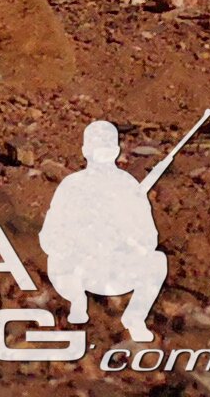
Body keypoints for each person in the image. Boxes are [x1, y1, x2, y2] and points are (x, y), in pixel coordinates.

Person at [40, 120, 173, 344]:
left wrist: (129, 240)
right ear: (85, 152)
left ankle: (134, 318)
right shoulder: (72, 186)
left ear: (114, 151)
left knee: (157, 261)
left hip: (116, 267)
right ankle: (77, 302)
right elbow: (50, 236)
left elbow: (149, 238)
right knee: (56, 260)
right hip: (80, 269)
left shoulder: (128, 186)